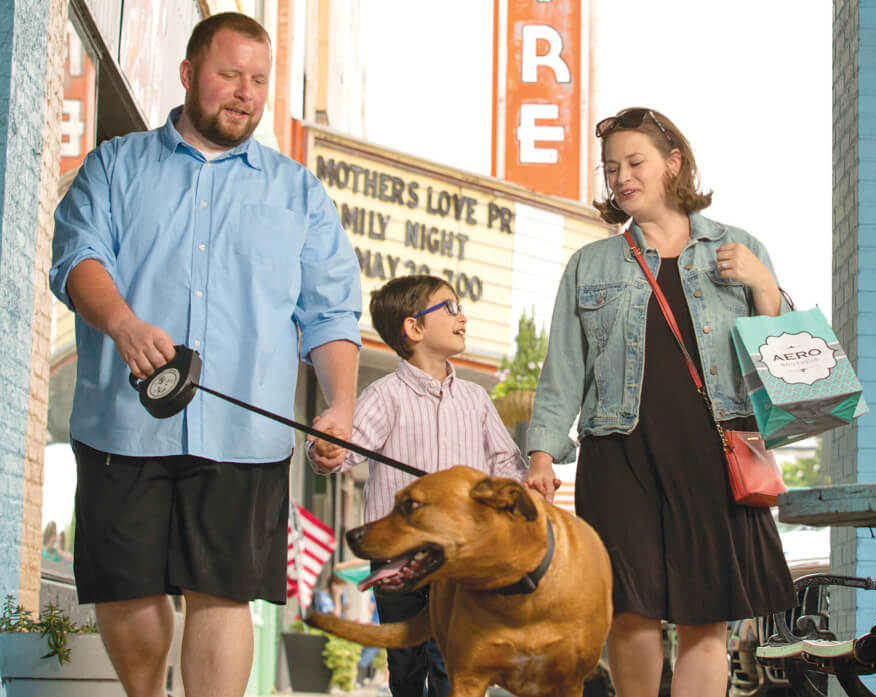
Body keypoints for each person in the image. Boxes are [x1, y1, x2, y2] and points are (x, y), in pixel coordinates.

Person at [49, 12, 361, 697]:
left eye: (258, 80)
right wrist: (125, 325)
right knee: (126, 586)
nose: (244, 92)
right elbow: (76, 257)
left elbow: (331, 311)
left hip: (242, 434)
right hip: (122, 425)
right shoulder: (115, 165)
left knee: (222, 593)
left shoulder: (298, 193)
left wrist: (339, 405)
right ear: (189, 74)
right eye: (229, 75)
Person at [526, 107, 796, 697]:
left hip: (715, 454)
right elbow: (563, 370)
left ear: (674, 163)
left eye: (634, 162)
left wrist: (765, 287)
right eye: (610, 168)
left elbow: (779, 359)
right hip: (620, 456)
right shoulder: (590, 265)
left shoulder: (741, 248)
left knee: (708, 617)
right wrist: (542, 454)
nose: (621, 177)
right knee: (629, 611)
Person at [307, 274, 559, 697]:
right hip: (398, 561)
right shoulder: (384, 396)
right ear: (414, 328)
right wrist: (325, 451)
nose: (463, 316)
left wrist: (528, 484)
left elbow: (504, 463)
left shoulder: (476, 400)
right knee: (405, 666)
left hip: (460, 559)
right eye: (451, 307)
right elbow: (343, 453)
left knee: (453, 664)